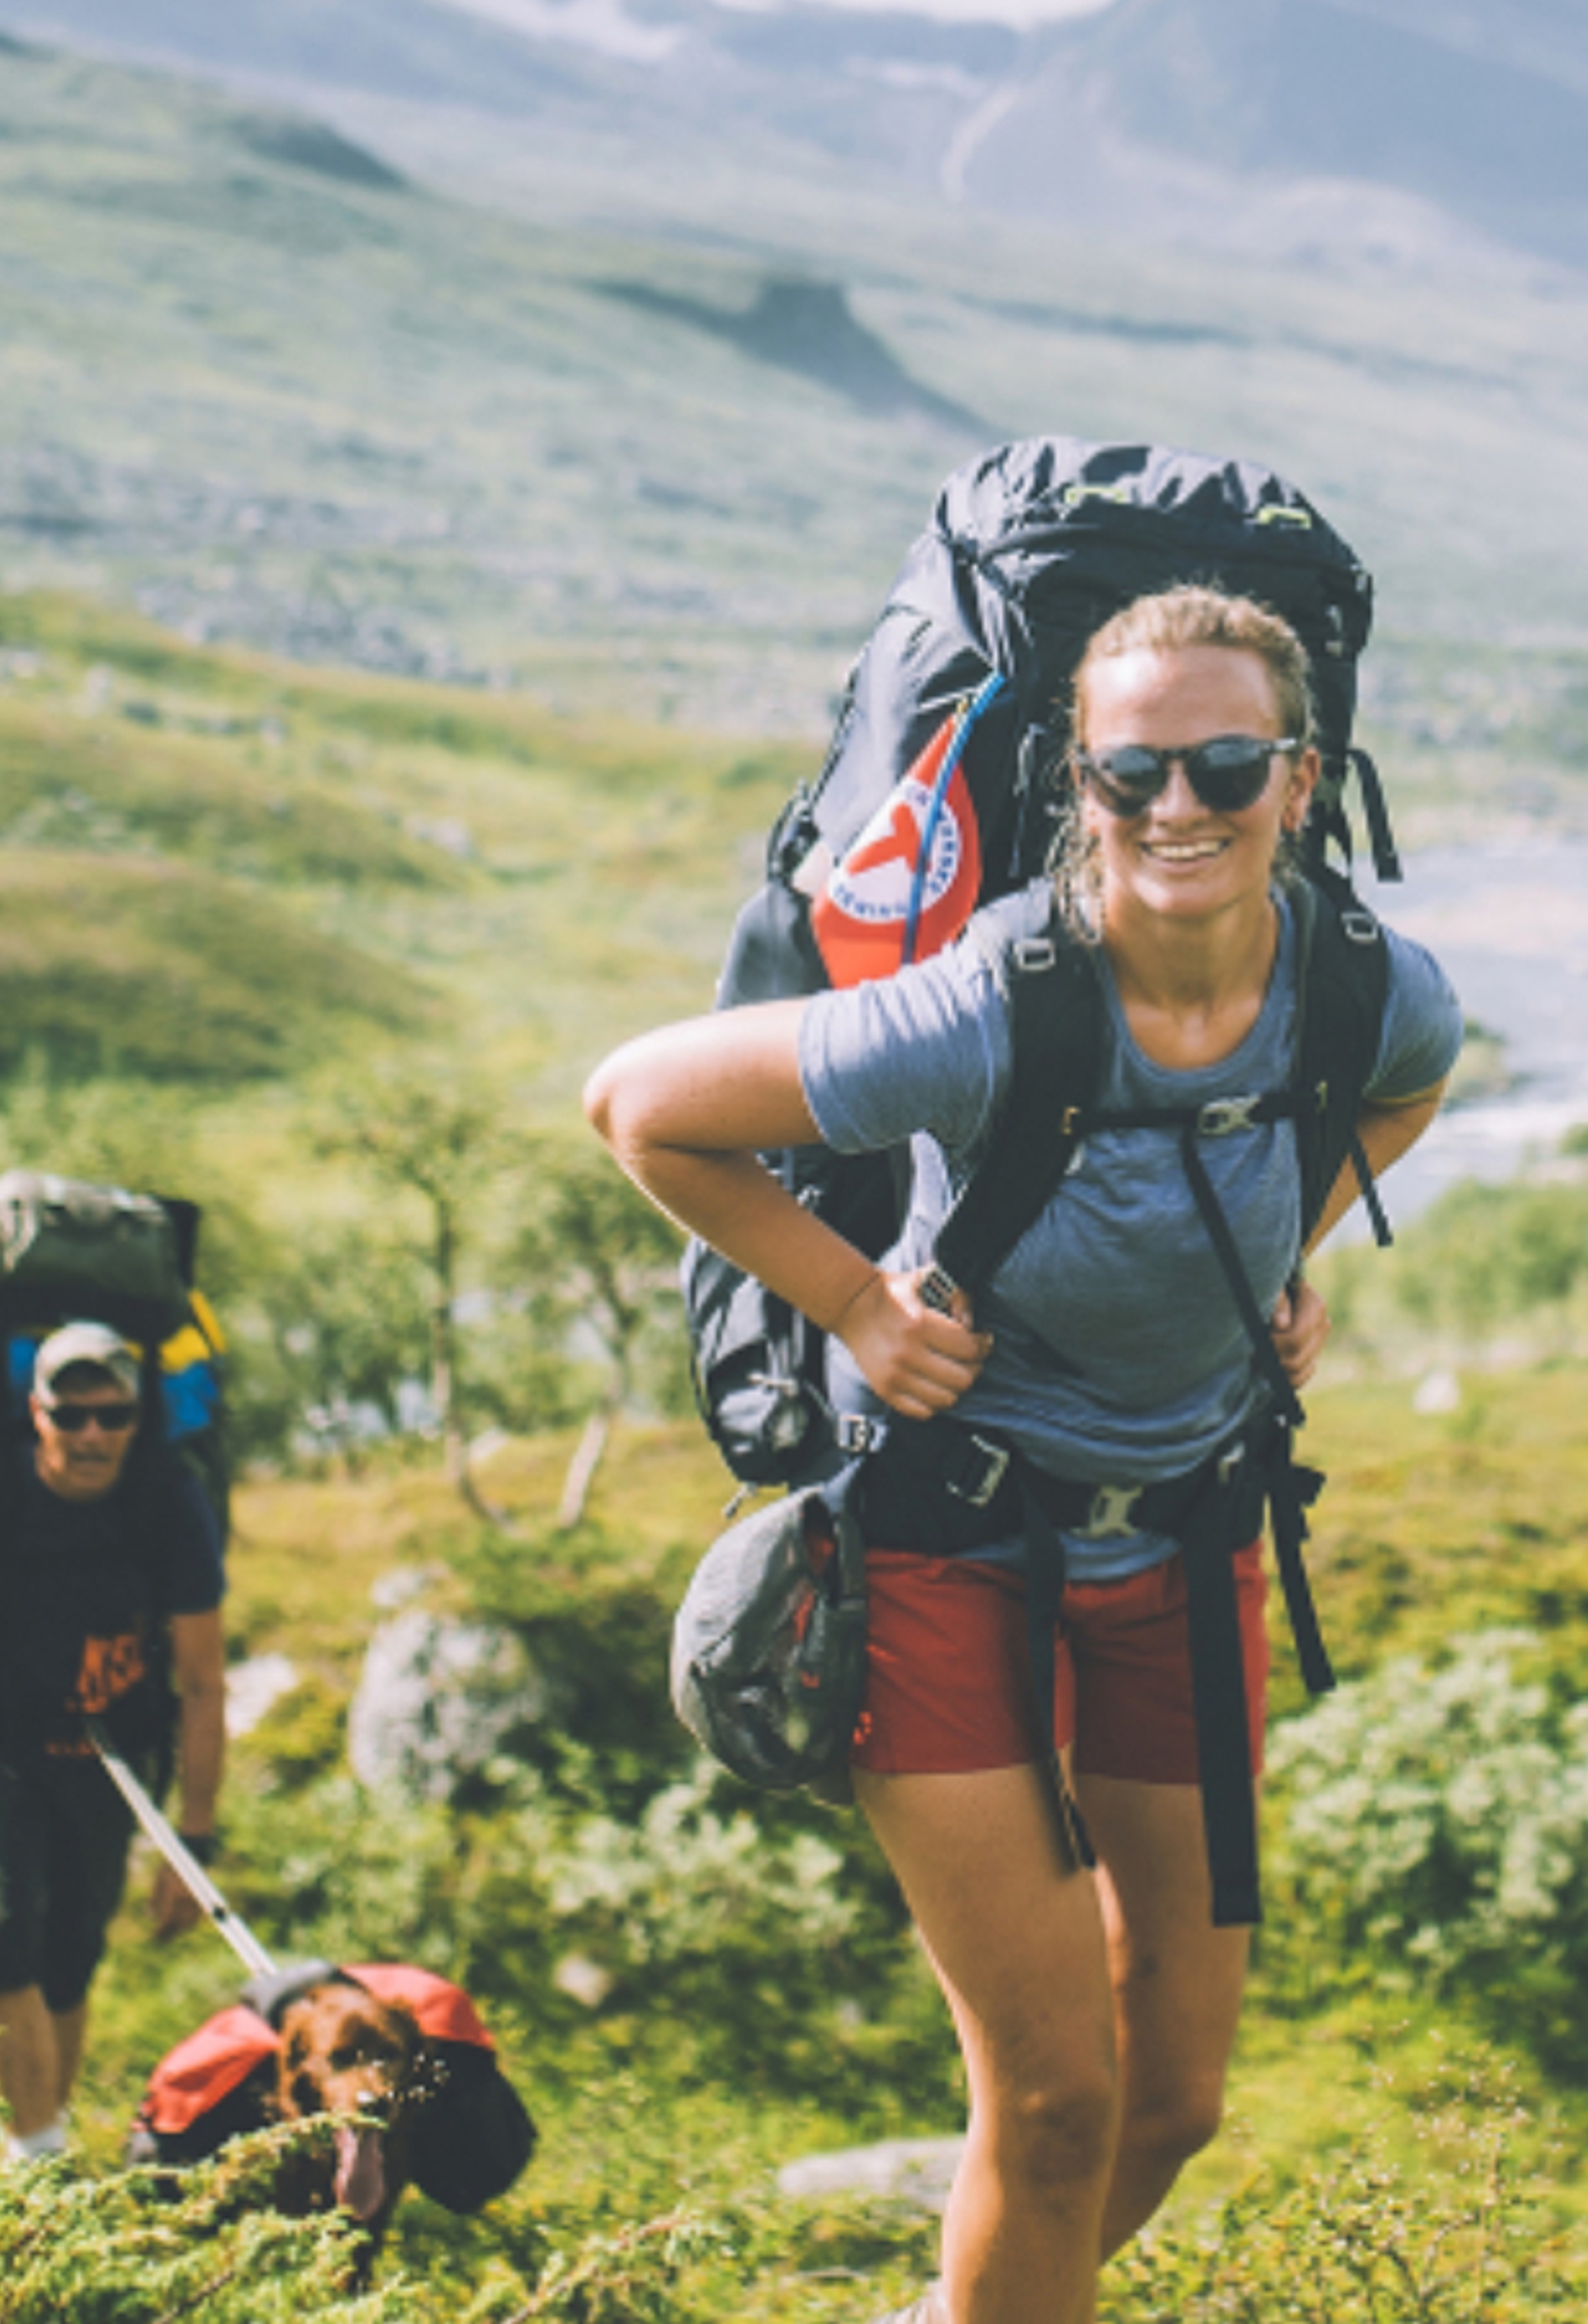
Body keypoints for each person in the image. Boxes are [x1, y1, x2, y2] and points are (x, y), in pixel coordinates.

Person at [585, 588, 1462, 2324]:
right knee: (1055, 2105)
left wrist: (1288, 1242)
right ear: (1078, 785)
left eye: (1226, 763)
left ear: (1300, 779)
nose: (1180, 808)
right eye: (1132, 774)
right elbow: (643, 1104)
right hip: (946, 1549)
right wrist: (854, 1303)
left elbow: (1405, 1091)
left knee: (1176, 2106)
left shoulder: (1368, 990)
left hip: (1195, 1546)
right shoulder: (995, 1005)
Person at [0, 1320, 227, 2161]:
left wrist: (193, 1843)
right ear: (36, 1413)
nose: (93, 1434)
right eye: (72, 1414)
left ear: (138, 1417)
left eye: (114, 1415)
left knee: (67, 1963)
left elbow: (203, 1682)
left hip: (112, 1761)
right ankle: (43, 2161)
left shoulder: (169, 1503)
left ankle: (42, 2170)